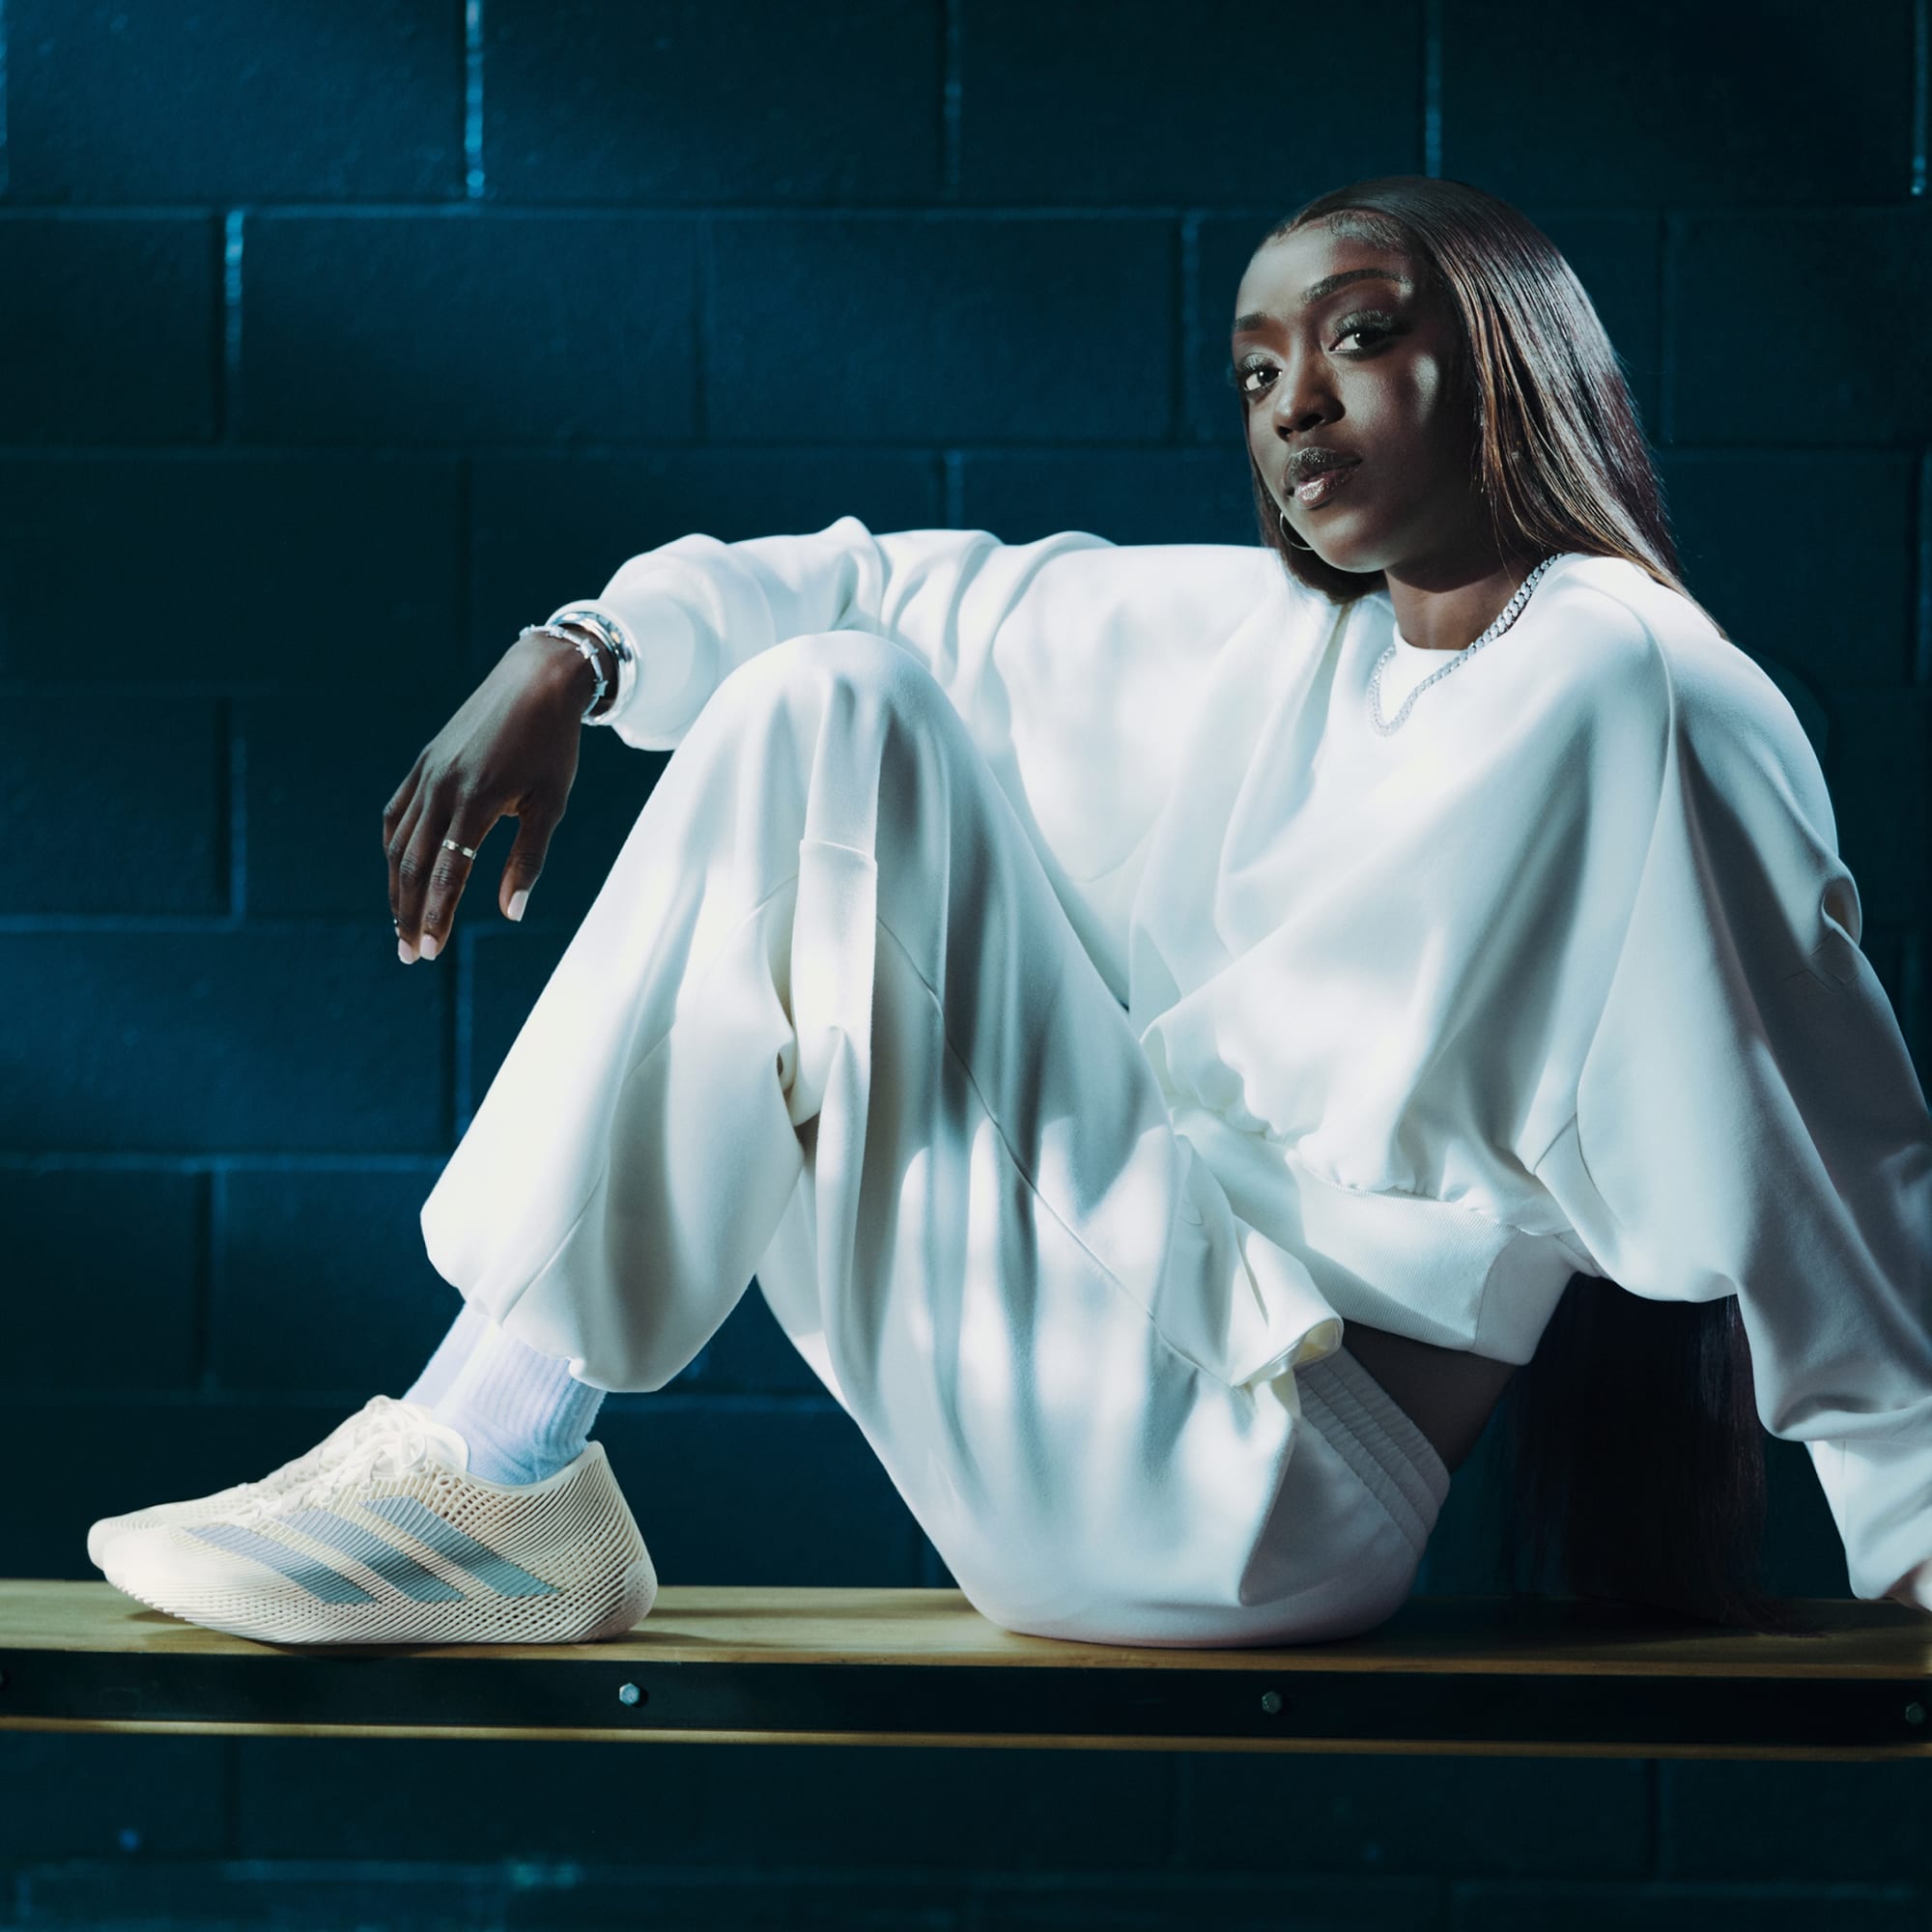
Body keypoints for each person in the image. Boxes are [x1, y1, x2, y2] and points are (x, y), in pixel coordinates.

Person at [87, 176, 1932, 1649]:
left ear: (1512, 361)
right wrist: (582, 649)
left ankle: (487, 1466)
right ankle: (492, 1446)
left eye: (1362, 339)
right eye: (1254, 372)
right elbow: (888, 597)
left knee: (834, 719)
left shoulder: (1629, 685)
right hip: (1110, 1381)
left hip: (1269, 1484)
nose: (1296, 405)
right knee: (825, 692)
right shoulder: (1283, 647)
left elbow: (1815, 1121)